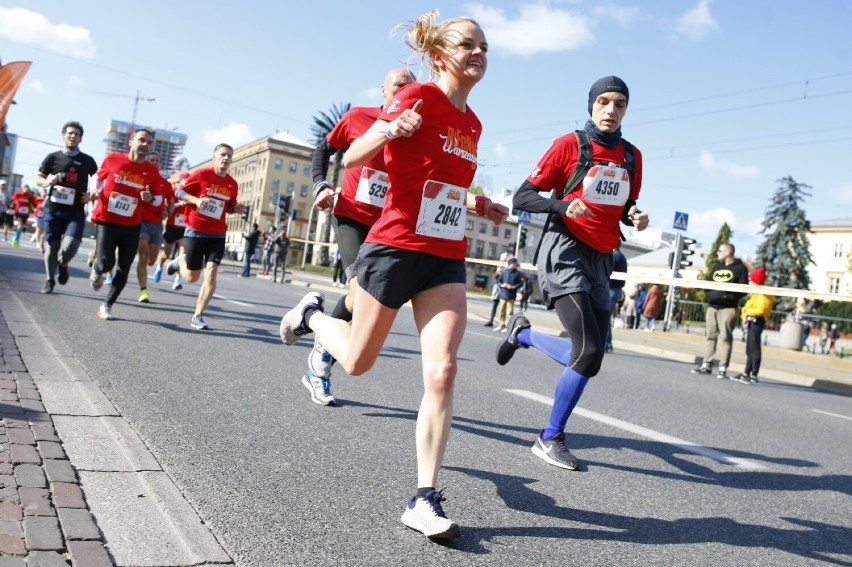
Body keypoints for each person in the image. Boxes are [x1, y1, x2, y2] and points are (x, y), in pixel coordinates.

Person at [278, 11, 507, 538]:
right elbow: (353, 155)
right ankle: (313, 315)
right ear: (439, 55)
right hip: (395, 245)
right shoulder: (417, 98)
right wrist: (388, 129)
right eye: (468, 45)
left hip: (445, 253)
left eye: (485, 46)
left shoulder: (472, 123)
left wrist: (479, 204)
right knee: (358, 362)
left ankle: (423, 497)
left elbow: (441, 187)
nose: (479, 53)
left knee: (443, 371)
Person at [496, 75, 648, 471]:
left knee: (590, 359)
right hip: (565, 250)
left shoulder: (632, 156)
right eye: (604, 102)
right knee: (589, 350)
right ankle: (550, 437)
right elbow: (522, 196)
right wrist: (563, 207)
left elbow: (626, 202)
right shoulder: (571, 145)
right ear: (591, 106)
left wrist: (636, 216)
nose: (611, 110)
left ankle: (523, 333)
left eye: (619, 104)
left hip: (602, 257)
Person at [301, 67, 415, 406]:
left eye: (411, 87)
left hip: (388, 225)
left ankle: (317, 333)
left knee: (364, 303)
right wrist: (321, 183)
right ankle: (320, 364)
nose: (404, 90)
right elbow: (323, 150)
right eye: (398, 84)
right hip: (350, 214)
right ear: (383, 90)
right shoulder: (357, 118)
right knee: (359, 291)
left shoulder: (417, 131)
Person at [165, 143, 245, 330]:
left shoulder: (232, 184)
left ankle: (198, 315)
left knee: (211, 271)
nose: (226, 158)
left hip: (217, 233)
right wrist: (196, 200)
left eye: (229, 156)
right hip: (195, 230)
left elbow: (230, 206)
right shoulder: (202, 175)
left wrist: (236, 208)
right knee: (192, 277)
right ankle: (180, 263)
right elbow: (179, 192)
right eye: (223, 154)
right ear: (214, 157)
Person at [88, 129, 162, 320]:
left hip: (132, 224)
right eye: (142, 140)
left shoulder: (152, 171)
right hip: (107, 219)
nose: (145, 144)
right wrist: (95, 191)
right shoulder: (113, 159)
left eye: (149, 142)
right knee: (106, 263)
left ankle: (107, 305)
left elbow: (158, 199)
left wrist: (150, 198)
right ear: (131, 141)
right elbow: (99, 177)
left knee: (124, 267)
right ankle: (97, 269)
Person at [35, 121, 100, 294]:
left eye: (76, 134)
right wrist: (47, 181)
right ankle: (50, 280)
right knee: (51, 246)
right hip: (53, 209)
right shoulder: (53, 157)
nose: (72, 136)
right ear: (63, 135)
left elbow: (99, 181)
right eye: (69, 133)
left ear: (81, 139)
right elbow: (39, 178)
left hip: (75, 211)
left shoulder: (87, 160)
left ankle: (63, 264)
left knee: (71, 245)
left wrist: (92, 194)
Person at [691, 242, 748, 379]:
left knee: (725, 338)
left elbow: (743, 288)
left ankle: (723, 367)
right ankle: (707, 364)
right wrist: (711, 295)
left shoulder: (740, 268)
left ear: (728, 252)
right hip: (713, 306)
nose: (717, 253)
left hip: (728, 308)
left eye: (720, 250)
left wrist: (728, 297)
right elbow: (709, 283)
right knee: (710, 336)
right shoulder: (717, 267)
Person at [136, 152, 173, 303]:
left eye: (156, 160)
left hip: (156, 224)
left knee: (151, 260)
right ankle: (144, 291)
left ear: (160, 164)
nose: (154, 162)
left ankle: (156, 266)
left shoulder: (165, 183)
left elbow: (171, 202)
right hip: (140, 221)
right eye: (151, 160)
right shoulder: (140, 178)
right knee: (143, 255)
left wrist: (168, 211)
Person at [734, 267, 772, 384]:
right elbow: (747, 306)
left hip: (757, 321)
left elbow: (760, 309)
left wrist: (748, 312)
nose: (749, 282)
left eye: (751, 280)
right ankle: (747, 371)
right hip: (751, 321)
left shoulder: (762, 295)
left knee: (754, 348)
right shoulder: (755, 294)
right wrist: (744, 313)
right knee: (749, 348)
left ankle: (753, 374)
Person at [152, 172, 189, 291]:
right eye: (185, 181)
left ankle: (177, 280)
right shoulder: (173, 191)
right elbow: (166, 206)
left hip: (185, 228)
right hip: (172, 226)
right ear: (180, 182)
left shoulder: (191, 194)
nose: (187, 183)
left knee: (182, 255)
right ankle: (160, 266)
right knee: (167, 254)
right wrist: (179, 204)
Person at [606, 243, 627, 351]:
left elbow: (608, 271)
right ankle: (607, 343)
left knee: (604, 317)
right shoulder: (622, 257)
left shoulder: (614, 256)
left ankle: (607, 343)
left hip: (611, 289)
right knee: (606, 317)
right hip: (617, 290)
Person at [494, 257, 522, 332]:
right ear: (510, 264)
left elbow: (521, 283)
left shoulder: (518, 273)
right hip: (503, 294)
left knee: (509, 312)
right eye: (514, 263)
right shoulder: (504, 272)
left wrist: (513, 287)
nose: (515, 264)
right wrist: (502, 285)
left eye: (515, 263)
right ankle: (500, 325)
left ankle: (507, 327)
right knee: (501, 311)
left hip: (511, 295)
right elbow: (498, 281)